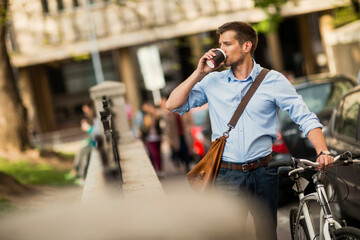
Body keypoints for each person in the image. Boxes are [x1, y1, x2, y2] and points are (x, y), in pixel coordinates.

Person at [166, 21, 334, 239]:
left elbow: (305, 117)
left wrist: (323, 151)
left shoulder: (273, 80)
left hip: (264, 172)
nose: (220, 50)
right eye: (220, 44)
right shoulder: (212, 81)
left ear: (246, 46)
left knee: (267, 235)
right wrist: (199, 72)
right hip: (227, 175)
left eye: (226, 44)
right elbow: (172, 104)